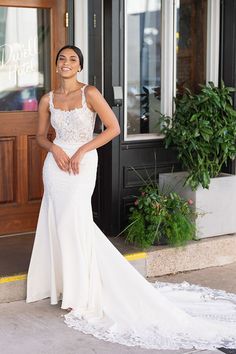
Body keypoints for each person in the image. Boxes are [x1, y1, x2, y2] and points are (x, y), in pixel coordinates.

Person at [26, 45, 236, 350]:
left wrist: (83, 149)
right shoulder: (47, 99)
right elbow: (40, 137)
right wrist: (56, 149)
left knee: (75, 221)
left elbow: (113, 128)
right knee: (58, 223)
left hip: (83, 164)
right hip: (56, 167)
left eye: (72, 59)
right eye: (62, 59)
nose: (66, 63)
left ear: (79, 67)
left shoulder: (91, 93)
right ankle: (62, 286)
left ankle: (81, 292)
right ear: (56, 65)